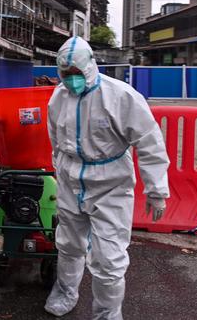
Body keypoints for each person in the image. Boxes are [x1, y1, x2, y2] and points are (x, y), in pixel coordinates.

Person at [44, 36, 170, 318]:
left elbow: (149, 142)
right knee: (68, 244)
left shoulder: (121, 96)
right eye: (66, 75)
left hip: (111, 183)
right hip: (70, 178)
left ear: (91, 66)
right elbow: (55, 138)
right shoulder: (58, 96)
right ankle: (66, 291)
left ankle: (107, 313)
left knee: (109, 259)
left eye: (77, 74)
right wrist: (59, 169)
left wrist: (156, 189)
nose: (72, 80)